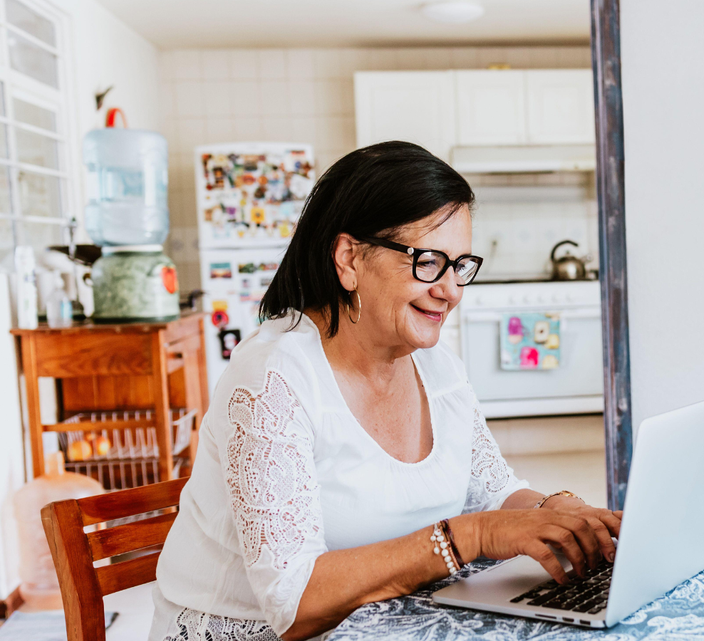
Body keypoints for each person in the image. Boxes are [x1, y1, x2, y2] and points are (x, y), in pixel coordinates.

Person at [150, 142, 621, 641]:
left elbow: (493, 491)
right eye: (428, 261)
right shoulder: (271, 380)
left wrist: (562, 512)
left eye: (460, 265)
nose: (451, 290)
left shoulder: (438, 368)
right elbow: (294, 602)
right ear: (349, 259)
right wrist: (475, 535)